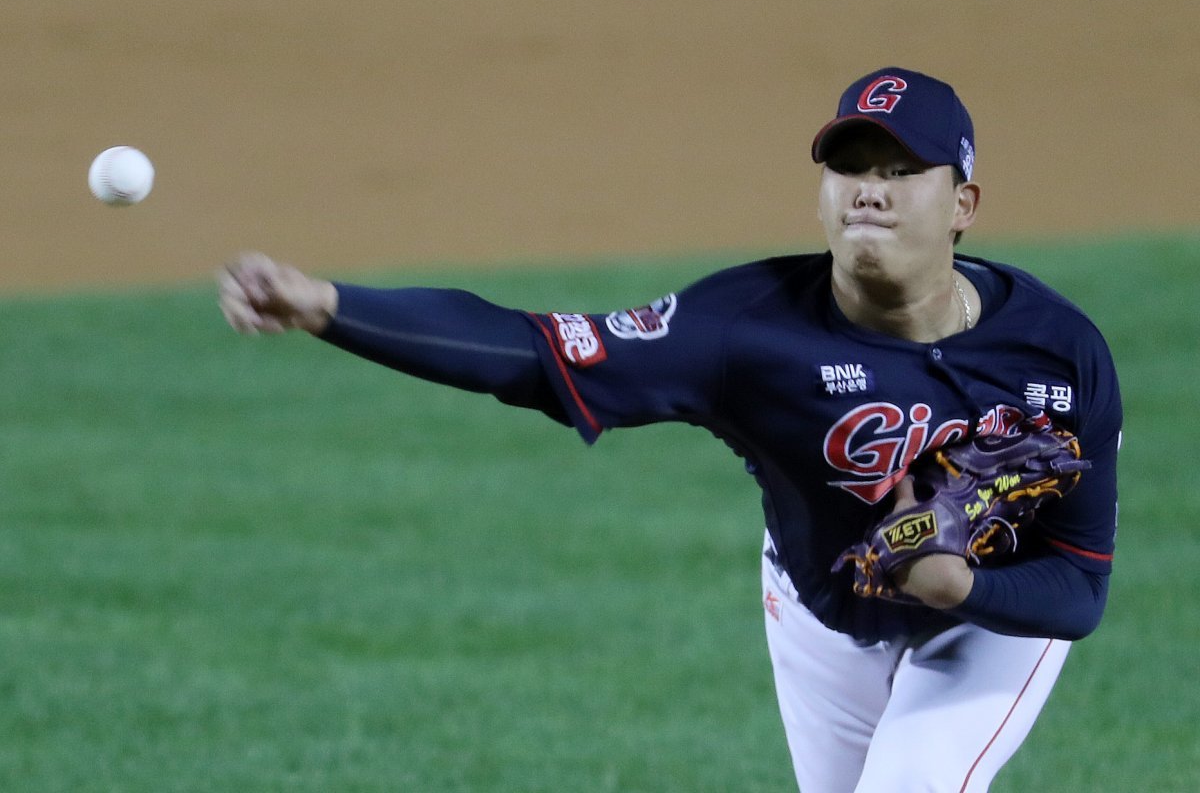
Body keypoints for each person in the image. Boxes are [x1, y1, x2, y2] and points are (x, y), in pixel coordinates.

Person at [217, 67, 1121, 791]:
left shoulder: (1060, 354)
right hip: (823, 611)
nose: (868, 193)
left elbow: (1080, 587)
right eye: (850, 168)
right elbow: (533, 352)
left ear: (962, 205)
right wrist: (328, 306)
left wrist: (960, 586)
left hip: (995, 613)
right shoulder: (742, 333)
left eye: (900, 172)